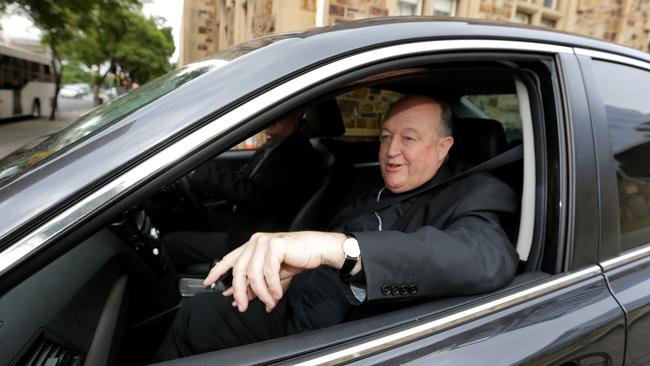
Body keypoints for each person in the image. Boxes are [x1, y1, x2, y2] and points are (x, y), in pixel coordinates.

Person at [155, 95, 519, 360]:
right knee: (199, 314)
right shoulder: (372, 185)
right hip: (297, 304)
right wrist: (292, 271)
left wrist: (337, 250)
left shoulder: (478, 192)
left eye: (408, 138)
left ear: (444, 147)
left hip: (347, 338)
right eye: (386, 136)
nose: (391, 151)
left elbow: (486, 257)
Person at [163, 111, 319, 270]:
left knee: (171, 242)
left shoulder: (296, 153)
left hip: (255, 238)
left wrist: (197, 172)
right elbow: (244, 178)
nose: (271, 118)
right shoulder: (276, 145)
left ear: (296, 115)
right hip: (243, 222)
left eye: (279, 114)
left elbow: (256, 193)